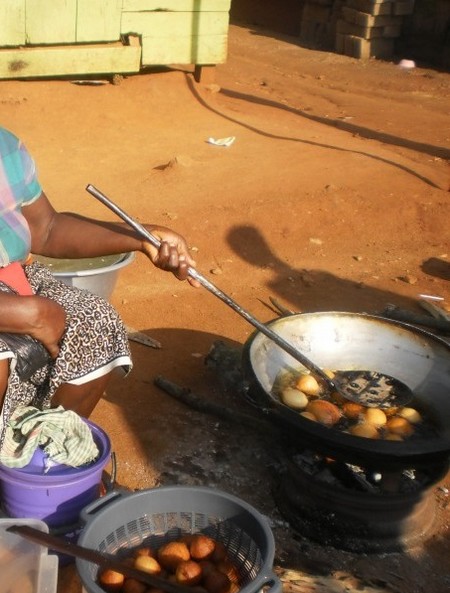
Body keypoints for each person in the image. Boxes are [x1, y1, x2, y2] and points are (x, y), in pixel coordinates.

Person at [0, 126, 198, 447]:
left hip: (11, 276)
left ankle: (44, 462)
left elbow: (45, 227)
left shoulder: (5, 148)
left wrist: (141, 236)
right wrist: (27, 313)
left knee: (96, 321)